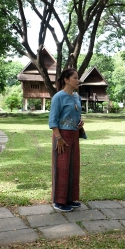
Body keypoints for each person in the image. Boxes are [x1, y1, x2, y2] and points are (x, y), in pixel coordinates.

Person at [49, 68, 86, 212]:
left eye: (78, 78)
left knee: (73, 167)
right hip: (61, 136)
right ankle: (59, 201)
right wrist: (58, 138)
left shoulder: (76, 97)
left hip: (74, 135)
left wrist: (80, 122)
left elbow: (76, 114)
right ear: (66, 80)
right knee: (62, 168)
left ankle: (70, 198)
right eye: (75, 78)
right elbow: (53, 120)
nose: (78, 80)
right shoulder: (58, 97)